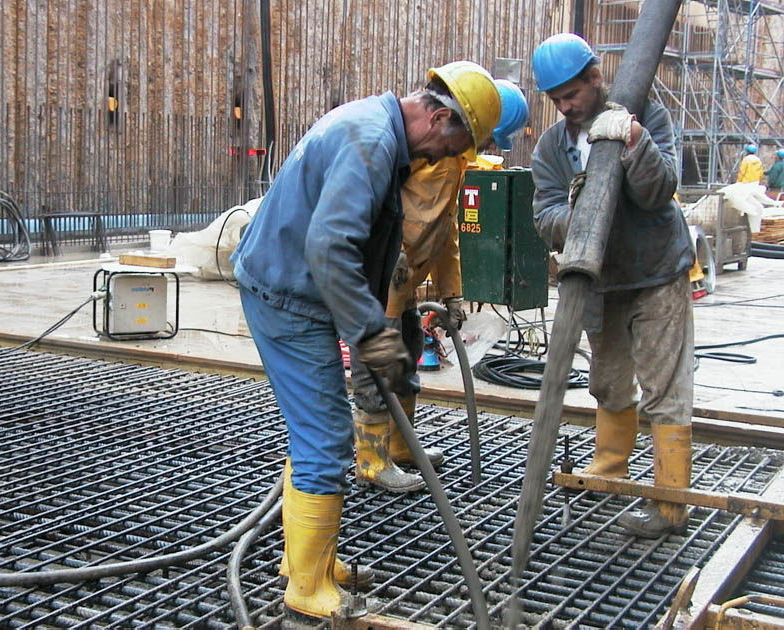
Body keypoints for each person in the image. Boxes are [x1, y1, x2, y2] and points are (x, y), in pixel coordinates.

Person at [230, 62, 501, 623]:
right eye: (454, 145)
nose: (448, 159)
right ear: (439, 117)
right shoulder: (373, 142)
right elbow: (330, 251)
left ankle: (307, 560)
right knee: (327, 436)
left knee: (315, 429)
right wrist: (374, 335)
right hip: (287, 295)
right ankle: (306, 587)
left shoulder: (375, 129)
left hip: (293, 287)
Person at [529, 33, 695, 538]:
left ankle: (670, 504)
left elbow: (658, 191)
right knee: (609, 381)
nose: (565, 107)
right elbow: (545, 214)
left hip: (656, 273)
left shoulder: (647, 117)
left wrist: (633, 142)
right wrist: (579, 211)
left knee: (664, 387)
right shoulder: (553, 147)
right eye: (556, 99)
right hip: (600, 283)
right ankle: (610, 475)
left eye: (571, 94)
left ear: (595, 78)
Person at [349, 78, 529, 493]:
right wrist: (383, 251)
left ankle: (400, 445)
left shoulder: (456, 162)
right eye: (482, 140)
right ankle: (371, 459)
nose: (483, 149)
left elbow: (446, 232)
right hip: (381, 284)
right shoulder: (419, 153)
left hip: (409, 283)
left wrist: (452, 291)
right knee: (380, 366)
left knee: (408, 357)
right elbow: (375, 201)